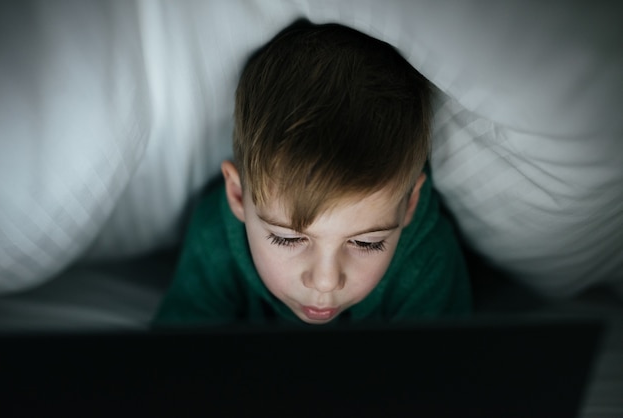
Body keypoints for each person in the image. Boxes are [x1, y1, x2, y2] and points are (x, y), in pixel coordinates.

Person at [154, 19, 471, 327]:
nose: (325, 282)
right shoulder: (215, 238)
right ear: (238, 194)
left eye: (366, 243)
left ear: (410, 203)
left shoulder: (428, 262)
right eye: (286, 238)